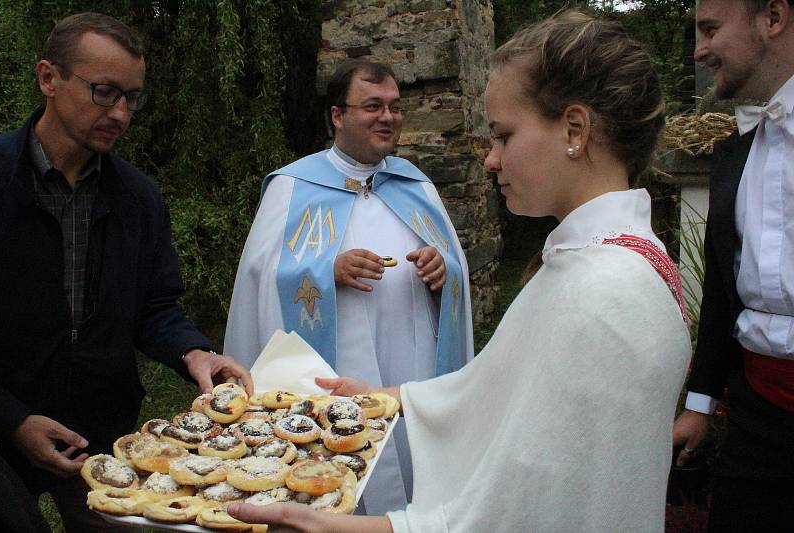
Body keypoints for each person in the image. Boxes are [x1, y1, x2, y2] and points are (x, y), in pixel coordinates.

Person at [227, 9, 690, 532]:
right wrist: (385, 397)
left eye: (503, 135)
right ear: (337, 116)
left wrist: (330, 526)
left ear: (575, 130)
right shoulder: (613, 262)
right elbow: (504, 397)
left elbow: (513, 512)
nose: (490, 160)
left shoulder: (599, 292)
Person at [0, 12, 253, 532]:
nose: (120, 113)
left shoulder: (138, 197)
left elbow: (156, 306)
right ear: (48, 78)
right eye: (104, 92)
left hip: (101, 434)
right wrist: (13, 420)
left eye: (132, 99)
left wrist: (194, 351)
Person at [224, 59, 473, 513]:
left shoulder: (415, 185)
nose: (388, 118)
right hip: (335, 358)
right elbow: (258, 278)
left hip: (411, 358)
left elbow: (454, 267)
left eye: (395, 107)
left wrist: (445, 272)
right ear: (338, 116)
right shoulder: (293, 186)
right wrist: (324, 272)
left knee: (412, 467)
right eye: (373, 106)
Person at [672, 0, 794, 530]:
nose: (701, 49)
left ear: (773, 18)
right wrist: (700, 404)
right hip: (756, 419)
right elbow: (724, 289)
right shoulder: (733, 154)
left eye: (711, 28)